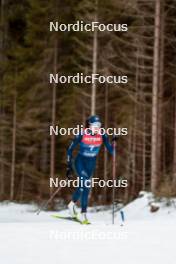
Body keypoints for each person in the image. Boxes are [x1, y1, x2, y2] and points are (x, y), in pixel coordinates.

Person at [66, 115, 115, 224]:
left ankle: (71, 204)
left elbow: (111, 151)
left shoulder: (102, 134)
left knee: (83, 187)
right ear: (89, 125)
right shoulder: (82, 134)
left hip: (91, 163)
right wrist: (69, 166)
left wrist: (114, 142)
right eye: (95, 125)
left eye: (99, 125)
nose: (97, 127)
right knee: (85, 184)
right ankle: (84, 214)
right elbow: (70, 149)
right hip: (80, 162)